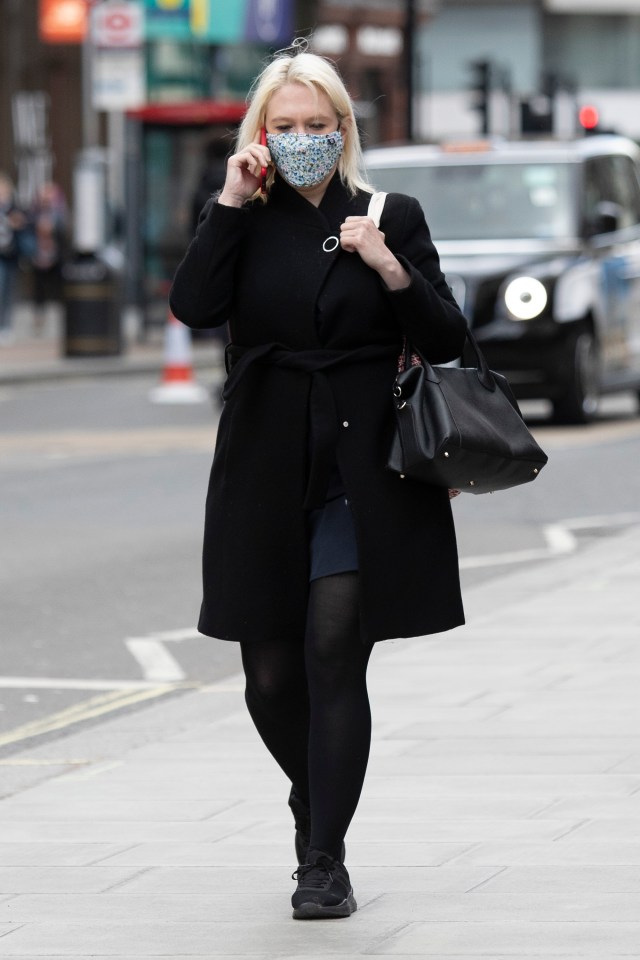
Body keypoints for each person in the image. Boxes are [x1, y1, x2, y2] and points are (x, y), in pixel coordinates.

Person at [170, 47, 467, 920]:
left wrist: (389, 267)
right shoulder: (241, 217)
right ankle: (315, 802)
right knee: (267, 677)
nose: (301, 140)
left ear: (343, 130)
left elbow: (448, 336)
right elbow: (192, 306)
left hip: (365, 466)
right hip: (263, 460)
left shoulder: (390, 214)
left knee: (334, 648)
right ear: (260, 135)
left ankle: (324, 862)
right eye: (284, 126)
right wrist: (228, 201)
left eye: (316, 125)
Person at [28, 181, 68, 334]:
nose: (46, 197)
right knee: (39, 289)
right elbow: (28, 227)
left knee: (58, 286)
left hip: (56, 256)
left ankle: (61, 317)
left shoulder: (60, 212)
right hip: (38, 257)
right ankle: (39, 317)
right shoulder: (34, 212)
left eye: (49, 193)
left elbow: (65, 231)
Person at [0, 173, 29, 345]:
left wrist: (18, 224)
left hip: (11, 256)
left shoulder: (14, 209)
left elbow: (26, 226)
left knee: (9, 292)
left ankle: (7, 326)